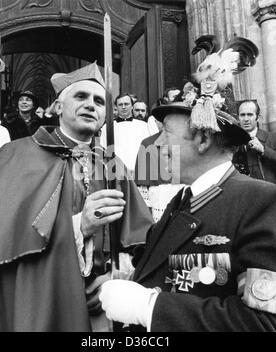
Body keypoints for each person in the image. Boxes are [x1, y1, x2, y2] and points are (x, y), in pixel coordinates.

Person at [0, 62, 153, 332]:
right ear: (58, 107)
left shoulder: (111, 163)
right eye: (80, 97)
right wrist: (80, 225)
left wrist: (117, 272)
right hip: (40, 293)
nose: (91, 105)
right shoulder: (15, 156)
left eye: (99, 101)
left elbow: (138, 237)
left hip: (102, 301)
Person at [99, 85, 276, 331]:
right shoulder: (183, 198)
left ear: (203, 139)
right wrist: (127, 272)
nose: (157, 144)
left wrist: (150, 308)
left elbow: (262, 323)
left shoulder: (261, 201)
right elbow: (163, 263)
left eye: (167, 134)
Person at [100, 93, 152, 173]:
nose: (123, 107)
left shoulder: (143, 126)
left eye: (126, 104)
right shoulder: (107, 127)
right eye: (120, 104)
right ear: (116, 107)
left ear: (132, 106)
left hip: (139, 171)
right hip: (116, 173)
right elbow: (104, 150)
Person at [233, 99, 276, 183]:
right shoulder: (232, 143)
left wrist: (264, 150)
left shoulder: (273, 138)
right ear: (238, 118)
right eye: (242, 115)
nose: (246, 119)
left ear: (258, 117)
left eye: (250, 115)